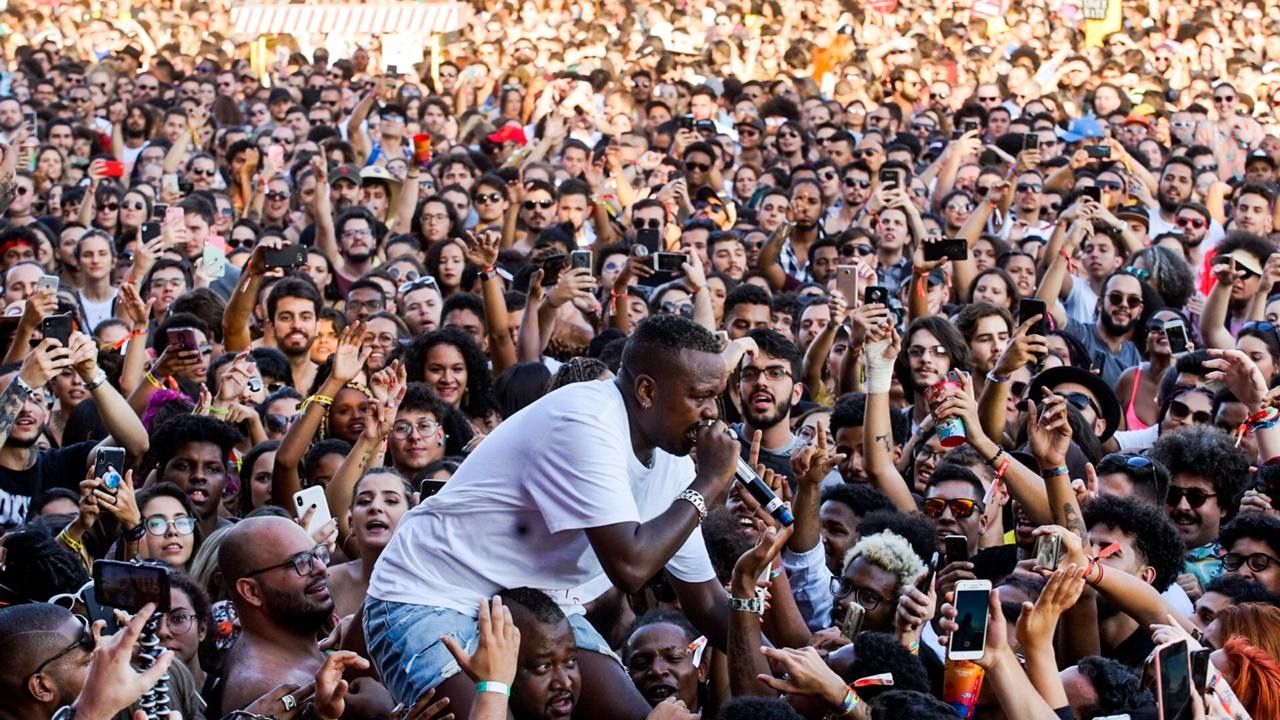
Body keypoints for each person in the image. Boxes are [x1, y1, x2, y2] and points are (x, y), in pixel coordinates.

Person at [366, 315, 741, 719]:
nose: (711, 414)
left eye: (716, 397)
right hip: (431, 594)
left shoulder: (674, 461)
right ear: (647, 390)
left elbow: (705, 602)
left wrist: (783, 662)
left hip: (537, 606)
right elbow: (630, 566)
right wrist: (708, 483)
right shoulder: (586, 421)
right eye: (700, 397)